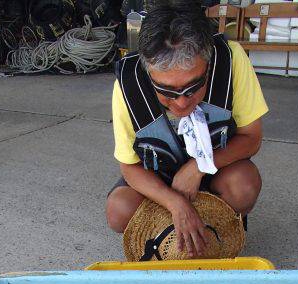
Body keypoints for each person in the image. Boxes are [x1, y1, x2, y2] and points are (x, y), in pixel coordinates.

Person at [107, 1, 268, 258]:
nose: (181, 102)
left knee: (243, 186)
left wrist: (198, 167)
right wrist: (175, 202)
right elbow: (129, 166)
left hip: (217, 171)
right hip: (159, 175)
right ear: (148, 72)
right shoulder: (128, 84)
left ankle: (217, 223)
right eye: (167, 92)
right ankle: (172, 223)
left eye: (193, 87)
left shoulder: (231, 58)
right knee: (119, 210)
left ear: (208, 62)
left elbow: (252, 138)